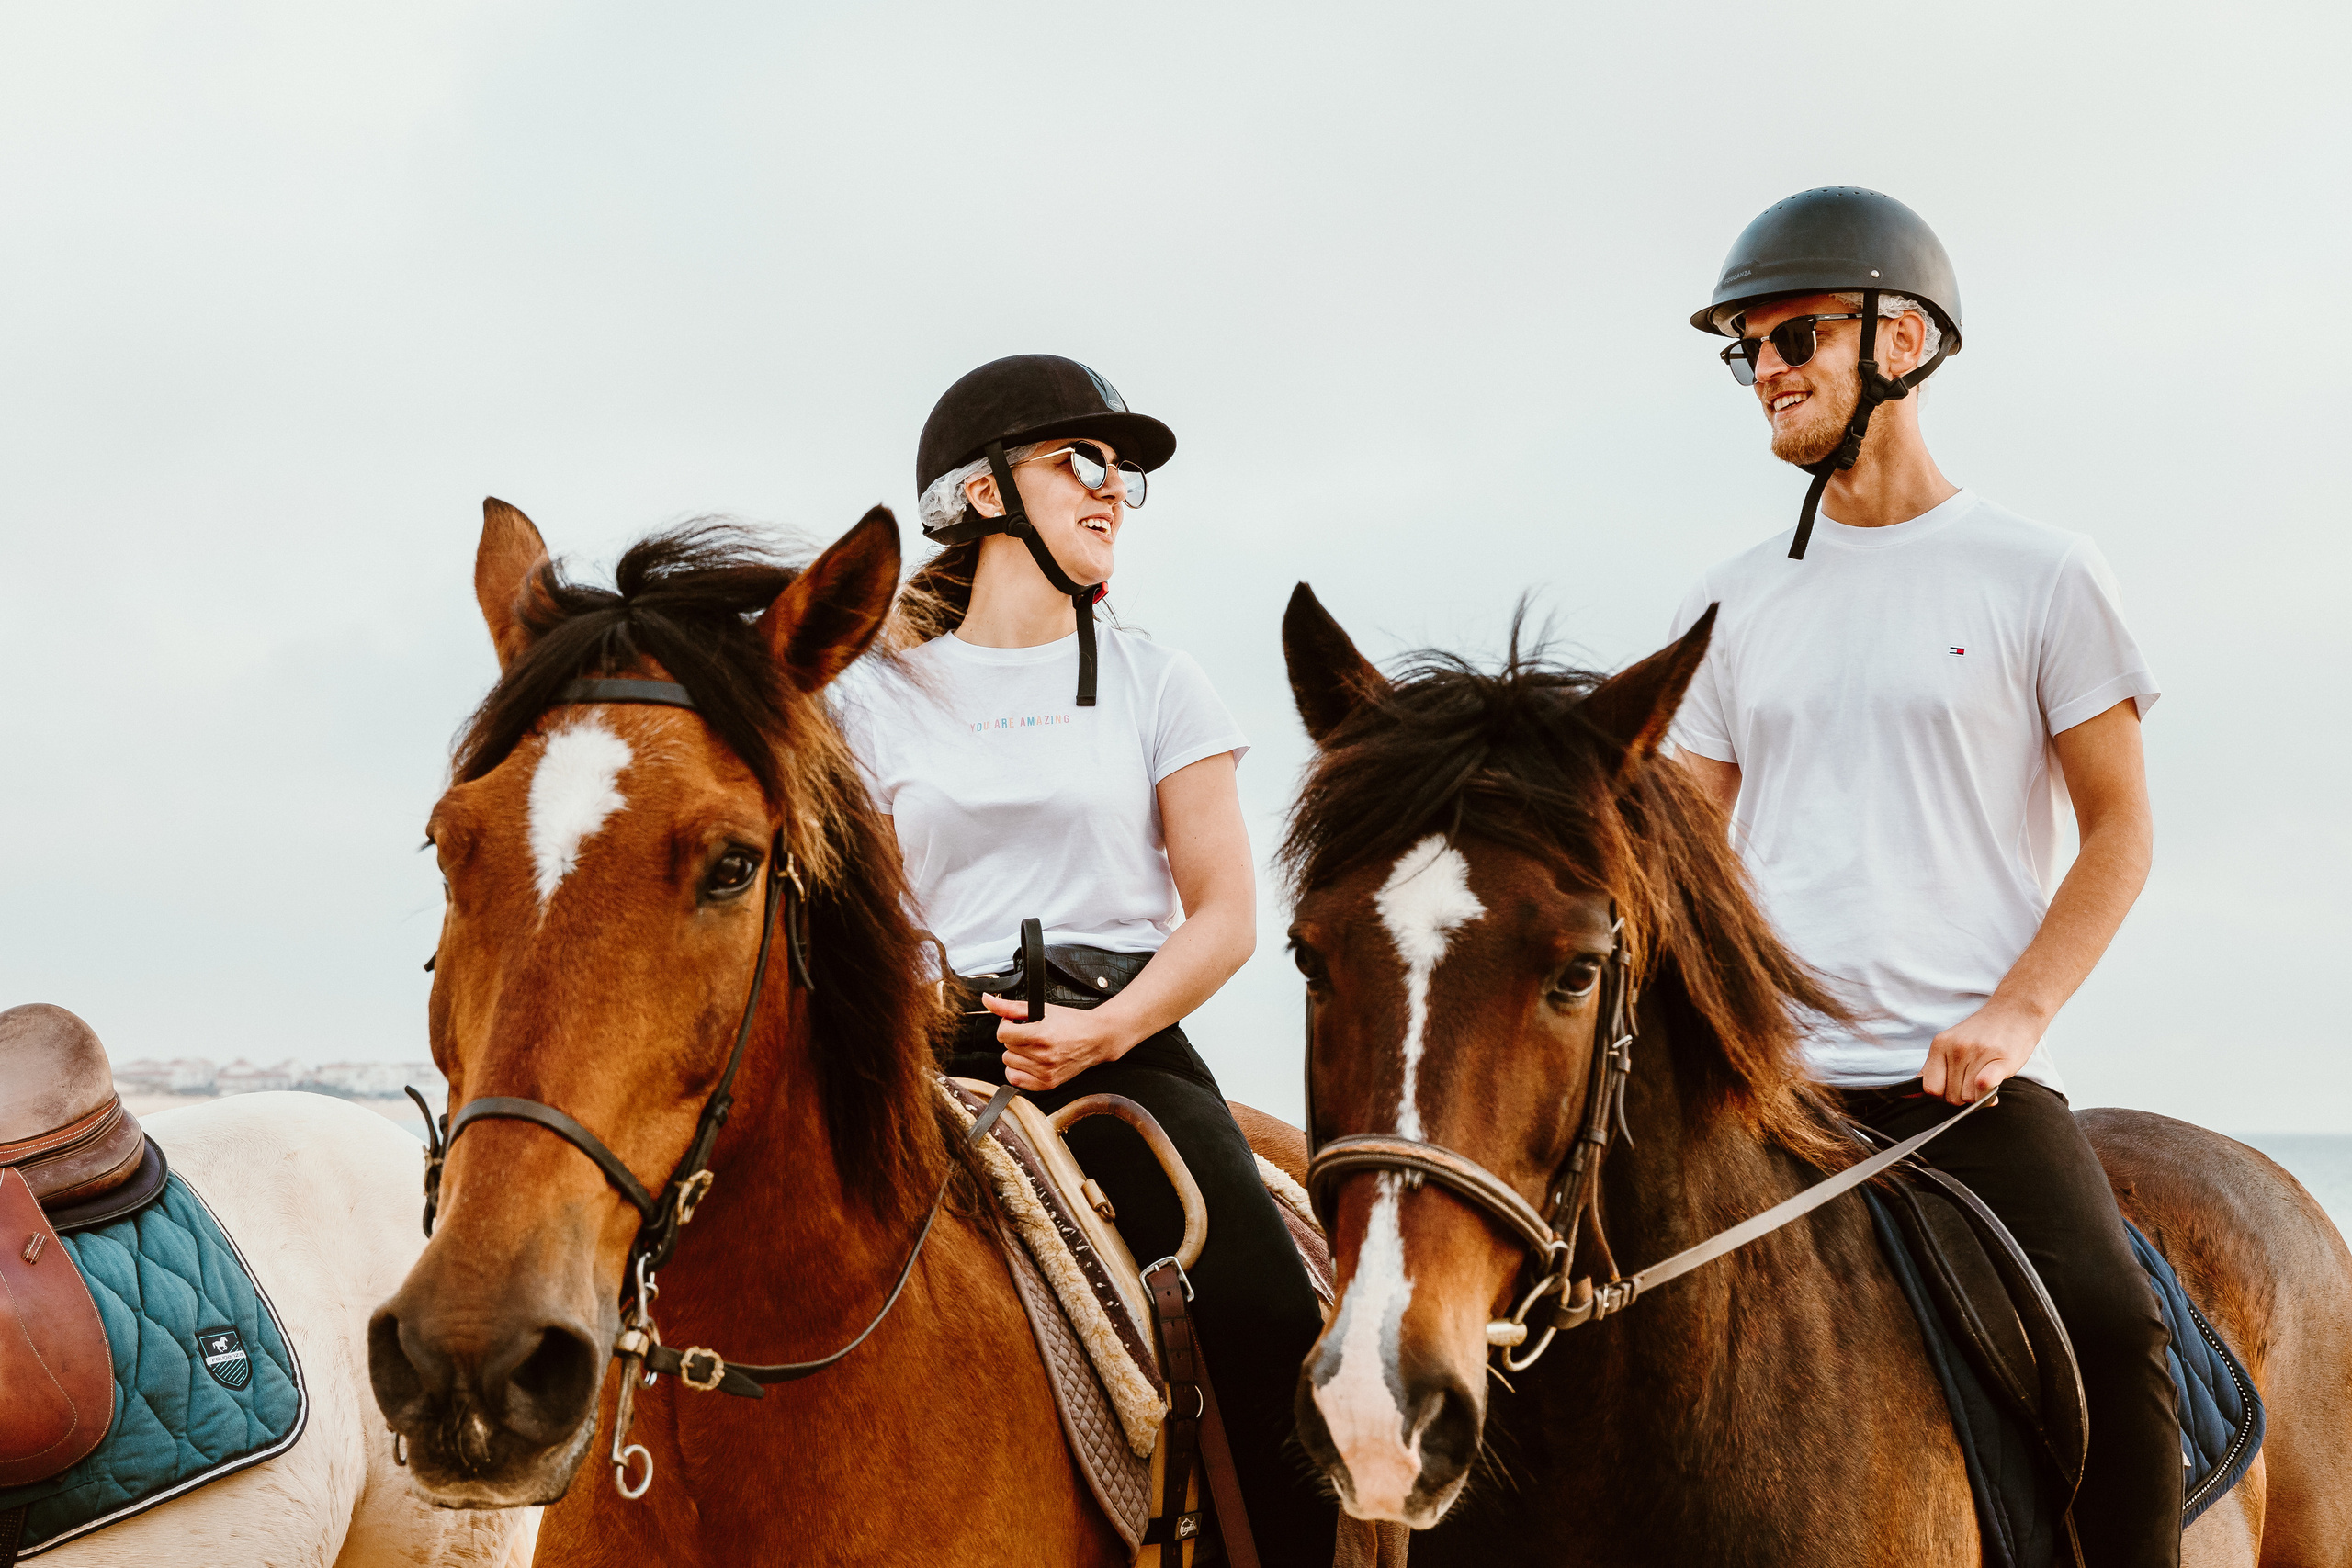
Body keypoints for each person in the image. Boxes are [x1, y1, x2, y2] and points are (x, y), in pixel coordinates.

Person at [1668, 188, 2177, 1567]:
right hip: (1774, 1093)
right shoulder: (1729, 607)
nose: (1765, 369)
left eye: (1795, 335)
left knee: (2114, 1331)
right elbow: (1677, 857)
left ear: (1905, 338)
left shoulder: (2041, 573)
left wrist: (2014, 1019)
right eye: (1747, 350)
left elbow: (2121, 831)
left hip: (1963, 1090)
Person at [834, 354, 1337, 1562]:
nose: (1112, 490)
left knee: (1266, 1307)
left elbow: (1223, 915)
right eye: (1082, 460)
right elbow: (864, 918)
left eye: (1122, 475)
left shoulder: (1165, 683)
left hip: (1125, 1040)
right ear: (987, 492)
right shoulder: (872, 699)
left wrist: (1108, 1031)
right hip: (926, 1053)